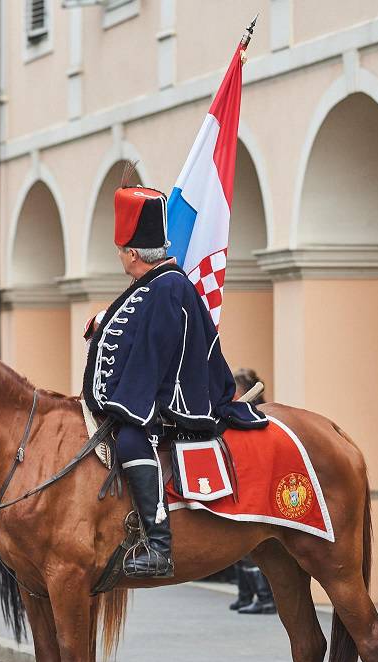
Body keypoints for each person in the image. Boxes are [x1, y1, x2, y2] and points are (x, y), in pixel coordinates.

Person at [81, 184, 268, 578]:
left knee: (132, 435)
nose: (120, 257)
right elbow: (138, 334)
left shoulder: (167, 287)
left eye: (121, 251)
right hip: (160, 387)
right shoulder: (155, 283)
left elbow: (156, 350)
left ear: (133, 254)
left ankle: (159, 544)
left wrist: (131, 399)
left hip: (178, 397)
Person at [229, 368, 277, 614]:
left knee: (254, 551)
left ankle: (266, 598)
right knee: (244, 554)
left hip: (256, 490)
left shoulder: (256, 419)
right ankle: (247, 594)